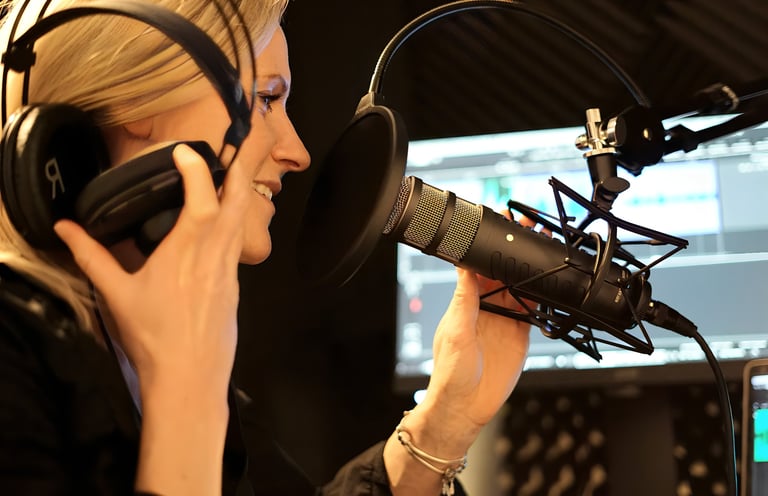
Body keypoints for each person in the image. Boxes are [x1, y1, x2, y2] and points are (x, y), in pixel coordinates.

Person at [0, 0, 532, 494]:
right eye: (265, 99)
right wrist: (186, 394)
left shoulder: (156, 342)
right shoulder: (14, 352)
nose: (297, 152)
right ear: (136, 99)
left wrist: (447, 417)